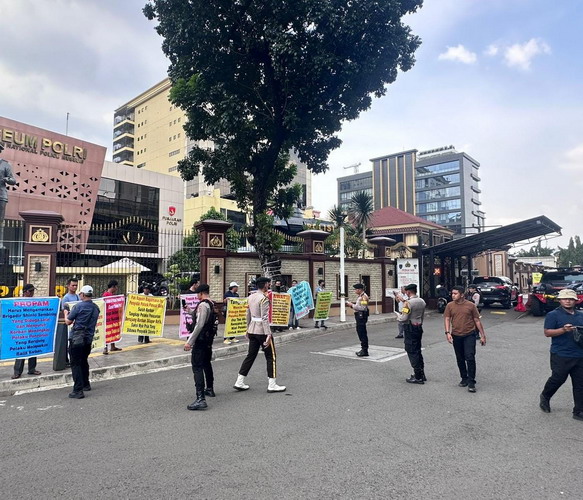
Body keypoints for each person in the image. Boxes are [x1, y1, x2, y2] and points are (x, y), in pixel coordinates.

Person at [233, 277, 286, 393]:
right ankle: (272, 384)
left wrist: (247, 328)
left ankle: (239, 381)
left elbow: (247, 314)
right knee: (271, 357)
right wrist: (268, 334)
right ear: (265, 285)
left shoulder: (250, 297)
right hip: (262, 330)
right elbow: (264, 318)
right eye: (268, 284)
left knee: (250, 356)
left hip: (252, 329)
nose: (269, 285)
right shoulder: (264, 299)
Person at [539, 289, 583, 421]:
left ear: (576, 301)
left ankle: (579, 411)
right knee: (558, 379)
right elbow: (547, 333)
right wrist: (563, 330)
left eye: (571, 299)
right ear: (560, 300)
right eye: (565, 298)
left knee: (580, 383)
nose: (568, 301)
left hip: (579, 354)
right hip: (561, 354)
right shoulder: (553, 315)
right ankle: (545, 396)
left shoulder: (580, 315)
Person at [444, 285, 487, 393]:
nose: (453, 295)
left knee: (470, 357)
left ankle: (471, 382)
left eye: (455, 293)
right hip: (456, 335)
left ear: (462, 294)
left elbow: (477, 320)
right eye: (452, 293)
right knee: (460, 358)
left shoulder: (470, 305)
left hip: (469, 334)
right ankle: (464, 378)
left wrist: (482, 335)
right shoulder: (450, 305)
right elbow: (447, 318)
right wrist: (447, 332)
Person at [183, 284, 216, 411]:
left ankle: (200, 398)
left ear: (201, 293)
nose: (197, 295)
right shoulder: (211, 303)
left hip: (201, 340)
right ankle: (210, 389)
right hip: (208, 340)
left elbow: (199, 324)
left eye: (197, 293)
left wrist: (190, 342)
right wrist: (190, 311)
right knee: (206, 363)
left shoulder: (202, 305)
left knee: (197, 367)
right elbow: (202, 318)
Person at [65, 285, 99, 399]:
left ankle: (78, 390)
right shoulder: (95, 308)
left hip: (77, 339)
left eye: (80, 293)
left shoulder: (78, 306)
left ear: (83, 295)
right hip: (88, 339)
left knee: (75, 363)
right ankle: (86, 384)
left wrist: (65, 312)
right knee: (84, 360)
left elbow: (68, 321)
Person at [396, 284, 427, 384]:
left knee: (411, 350)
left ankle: (418, 376)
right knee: (417, 350)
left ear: (408, 292)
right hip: (418, 326)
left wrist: (398, 317)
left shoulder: (408, 303)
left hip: (410, 327)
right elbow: (422, 316)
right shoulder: (422, 301)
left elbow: (404, 317)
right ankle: (422, 373)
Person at [11, 284, 42, 379]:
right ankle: (17, 371)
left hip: (33, 329)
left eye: (33, 291)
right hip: (22, 331)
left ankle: (32, 369)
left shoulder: (34, 302)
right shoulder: (19, 302)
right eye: (31, 291)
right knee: (21, 351)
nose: (33, 293)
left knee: (33, 349)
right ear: (26, 292)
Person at [0, 143, 17, 247]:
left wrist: (7, 179)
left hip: (1, 195)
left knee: (0, 221)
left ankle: (0, 242)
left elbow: (13, 180)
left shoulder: (5, 165)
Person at [61, 277, 80, 366]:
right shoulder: (66, 298)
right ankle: (67, 360)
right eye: (73, 285)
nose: (75, 287)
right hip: (69, 323)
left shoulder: (78, 296)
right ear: (68, 286)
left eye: (76, 285)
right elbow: (64, 310)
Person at [347, 283, 370, 357]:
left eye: (356, 289)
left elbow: (363, 308)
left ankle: (364, 350)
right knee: (360, 332)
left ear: (360, 290)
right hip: (359, 316)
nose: (355, 291)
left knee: (362, 332)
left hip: (361, 316)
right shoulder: (361, 296)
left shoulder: (364, 297)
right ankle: (363, 349)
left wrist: (352, 305)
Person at [102, 280, 122, 354]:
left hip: (113, 317)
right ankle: (105, 348)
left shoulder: (112, 295)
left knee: (113, 331)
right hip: (108, 317)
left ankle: (113, 346)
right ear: (113, 286)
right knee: (107, 332)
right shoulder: (106, 295)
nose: (117, 288)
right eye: (116, 287)